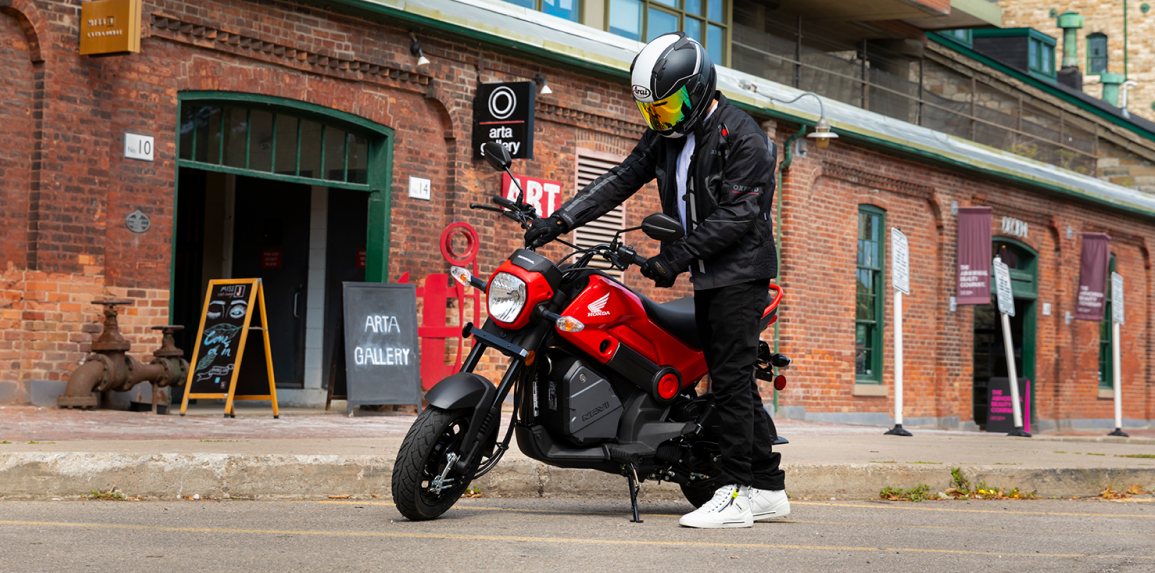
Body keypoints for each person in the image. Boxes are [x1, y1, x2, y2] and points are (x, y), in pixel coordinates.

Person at [523, 32, 788, 529]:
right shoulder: (667, 136)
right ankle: (769, 488)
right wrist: (559, 220)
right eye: (652, 111)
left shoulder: (744, 137)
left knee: (730, 383)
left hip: (741, 275)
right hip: (710, 277)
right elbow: (621, 178)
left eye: (668, 108)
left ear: (699, 89)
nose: (661, 120)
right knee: (734, 382)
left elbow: (738, 216)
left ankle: (735, 492)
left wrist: (675, 259)